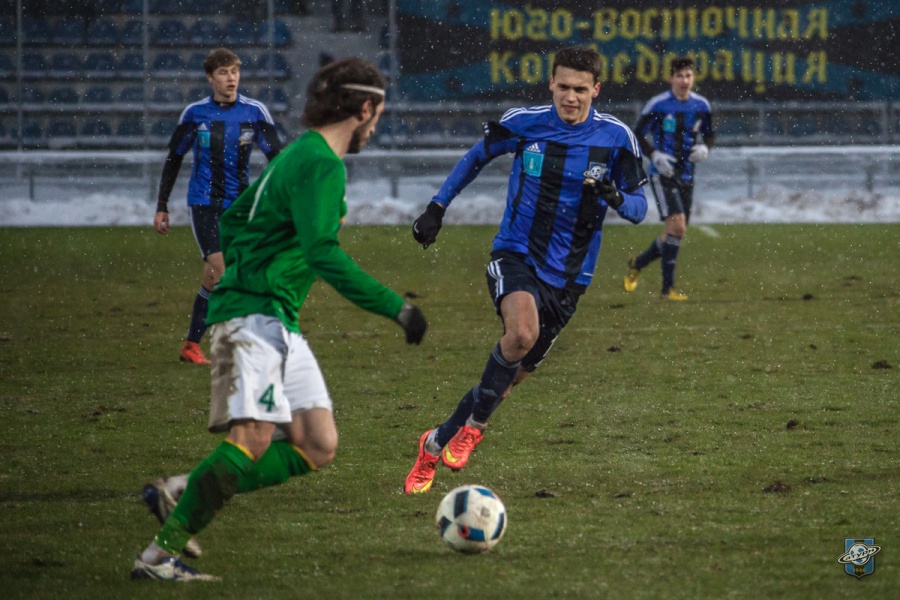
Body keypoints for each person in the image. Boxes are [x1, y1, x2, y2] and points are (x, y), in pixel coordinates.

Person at [132, 57, 428, 581]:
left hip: (274, 316)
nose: (376, 127)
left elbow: (233, 218)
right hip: (254, 317)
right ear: (365, 109)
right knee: (253, 439)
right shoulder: (321, 163)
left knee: (318, 443)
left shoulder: (299, 153)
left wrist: (246, 267)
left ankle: (182, 490)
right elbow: (322, 254)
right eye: (378, 115)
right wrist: (397, 308)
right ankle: (159, 556)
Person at [404, 46, 648, 494]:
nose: (570, 97)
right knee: (520, 334)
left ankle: (435, 442)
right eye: (563, 87)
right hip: (517, 254)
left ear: (596, 89)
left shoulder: (616, 138)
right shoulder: (523, 122)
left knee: (505, 381)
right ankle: (474, 428)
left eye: (580, 89)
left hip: (571, 278)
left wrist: (615, 196)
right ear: (550, 84)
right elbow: (475, 158)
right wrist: (437, 207)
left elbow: (640, 208)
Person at [153, 47, 283, 365]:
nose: (231, 78)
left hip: (239, 207)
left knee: (215, 277)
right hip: (204, 203)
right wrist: (162, 204)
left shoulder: (255, 112)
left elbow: (277, 160)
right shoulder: (195, 114)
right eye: (223, 73)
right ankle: (242, 345)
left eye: (234, 71)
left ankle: (191, 345)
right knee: (224, 272)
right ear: (210, 78)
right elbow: (174, 159)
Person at [624, 56, 716, 301]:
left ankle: (638, 263)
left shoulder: (701, 105)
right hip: (663, 174)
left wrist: (705, 148)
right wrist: (654, 155)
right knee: (678, 227)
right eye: (680, 76)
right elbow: (637, 134)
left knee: (674, 233)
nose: (684, 81)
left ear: (693, 78)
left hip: (687, 174)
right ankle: (667, 290)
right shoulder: (658, 105)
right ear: (671, 78)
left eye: (688, 76)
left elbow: (710, 134)